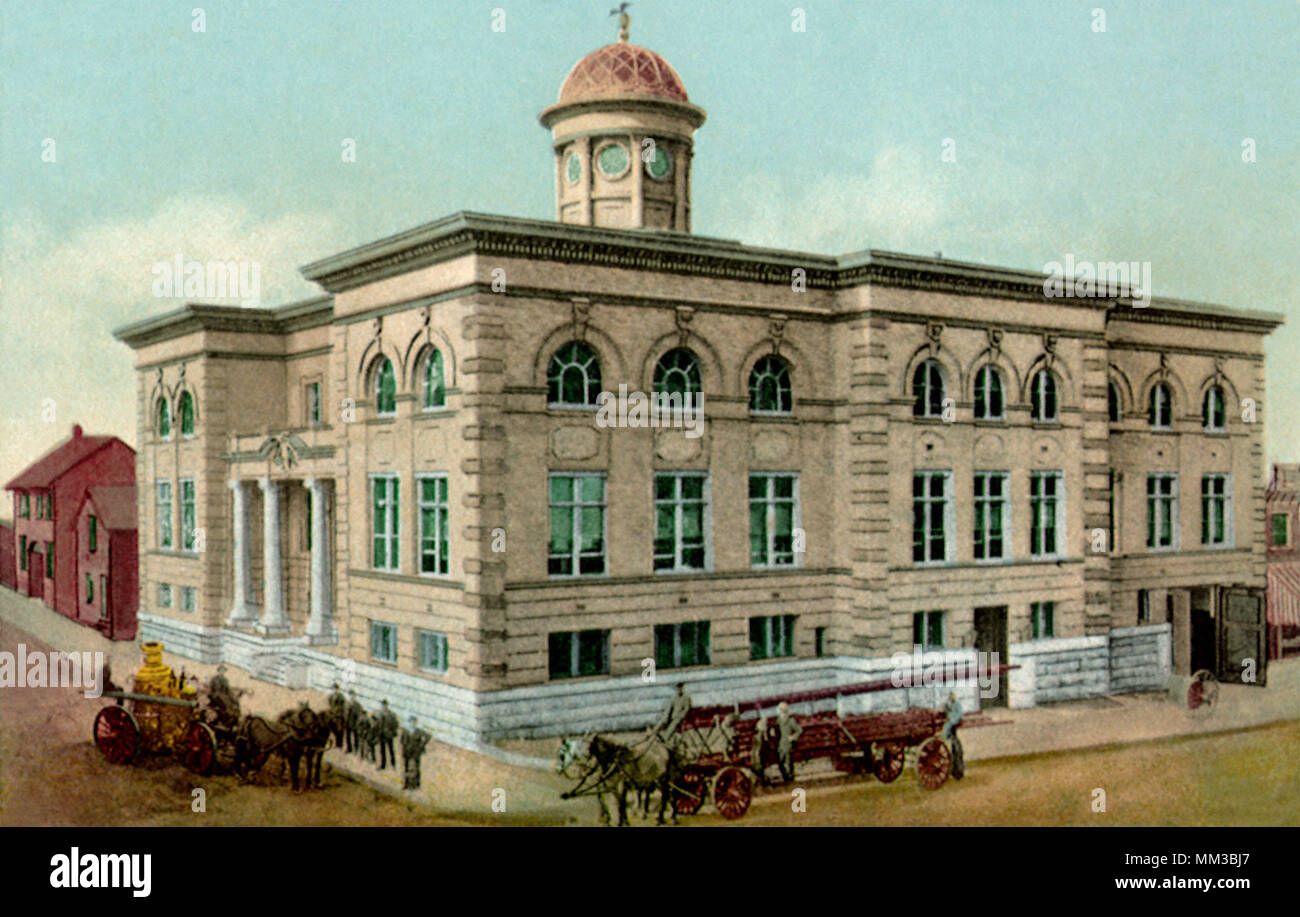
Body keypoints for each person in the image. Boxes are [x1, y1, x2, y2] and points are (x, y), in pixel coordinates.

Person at [400, 716, 431, 790]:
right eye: (410, 722)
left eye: (413, 722)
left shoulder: (419, 731)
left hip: (416, 752)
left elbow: (428, 736)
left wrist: (421, 745)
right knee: (406, 768)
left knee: (416, 768)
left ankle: (416, 784)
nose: (412, 724)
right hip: (407, 751)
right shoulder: (405, 731)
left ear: (415, 723)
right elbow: (402, 740)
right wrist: (405, 746)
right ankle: (406, 784)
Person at [207, 664, 242, 729]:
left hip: (223, 695)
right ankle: (224, 720)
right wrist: (214, 694)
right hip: (215, 695)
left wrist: (234, 699)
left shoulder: (225, 680)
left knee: (235, 701)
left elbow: (227, 690)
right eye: (221, 670)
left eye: (223, 671)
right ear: (218, 671)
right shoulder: (214, 679)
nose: (222, 672)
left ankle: (236, 717)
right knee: (225, 702)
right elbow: (211, 689)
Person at [775, 702, 802, 784]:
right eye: (780, 710)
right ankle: (786, 777)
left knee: (788, 762)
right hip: (780, 745)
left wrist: (793, 737)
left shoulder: (790, 721)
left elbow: (799, 730)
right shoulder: (778, 721)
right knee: (781, 763)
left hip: (787, 744)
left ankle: (790, 778)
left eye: (783, 710)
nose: (781, 712)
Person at [942, 691, 965, 780]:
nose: (951, 698)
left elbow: (958, 715)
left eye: (952, 696)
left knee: (957, 751)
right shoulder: (951, 705)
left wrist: (952, 720)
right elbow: (947, 711)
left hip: (953, 726)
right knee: (954, 751)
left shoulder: (957, 705)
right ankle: (955, 771)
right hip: (952, 730)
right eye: (950, 697)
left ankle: (958, 772)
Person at [376, 699, 399, 771]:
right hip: (381, 734)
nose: (383, 707)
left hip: (389, 735)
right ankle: (383, 765)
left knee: (391, 750)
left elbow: (396, 724)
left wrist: (392, 732)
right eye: (382, 705)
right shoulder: (379, 714)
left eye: (384, 705)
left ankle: (393, 764)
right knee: (382, 750)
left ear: (387, 706)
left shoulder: (391, 714)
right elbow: (377, 724)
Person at [345, 690, 362, 754]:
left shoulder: (358, 705)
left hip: (355, 724)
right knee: (348, 737)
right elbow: (346, 713)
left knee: (356, 737)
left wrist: (357, 723)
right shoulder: (347, 703)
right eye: (350, 695)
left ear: (355, 696)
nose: (351, 697)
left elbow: (359, 715)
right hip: (348, 722)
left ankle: (356, 749)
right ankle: (349, 748)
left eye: (352, 695)